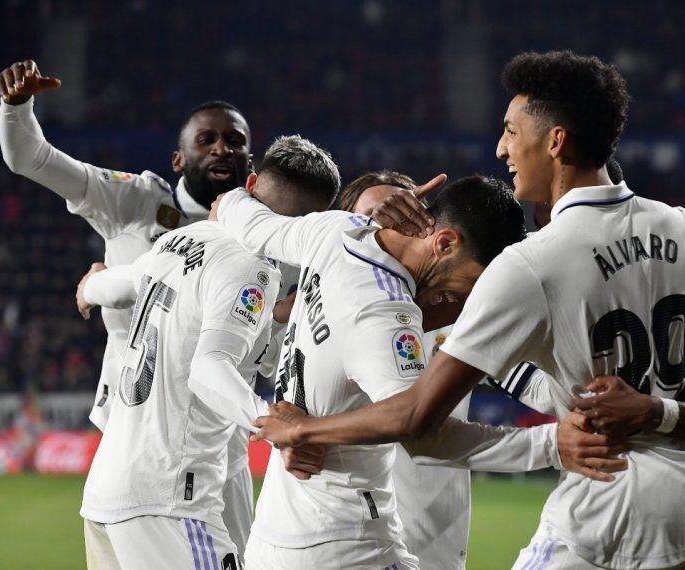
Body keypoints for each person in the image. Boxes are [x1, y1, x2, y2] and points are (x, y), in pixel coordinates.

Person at [252, 51, 685, 569]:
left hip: (612, 512)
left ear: (555, 140)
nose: (502, 147)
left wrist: (303, 430)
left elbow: (416, 416)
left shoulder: (530, 266)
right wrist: (660, 405)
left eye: (510, 130)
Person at [212, 174, 630, 568]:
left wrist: (227, 201)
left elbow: (247, 220)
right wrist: (552, 445)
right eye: (477, 279)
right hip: (348, 541)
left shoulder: (333, 231)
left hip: (278, 531)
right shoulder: (385, 313)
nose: (477, 294)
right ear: (444, 242)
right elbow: (422, 431)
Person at [0, 59, 264, 558]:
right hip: (129, 428)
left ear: (252, 159)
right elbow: (31, 158)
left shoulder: (263, 233)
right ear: (178, 159)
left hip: (212, 436)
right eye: (206, 139)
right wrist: (17, 107)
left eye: (235, 139)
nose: (223, 148)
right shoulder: (135, 200)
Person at [77, 135, 339, 569]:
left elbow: (122, 285)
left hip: (107, 494)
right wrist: (273, 424)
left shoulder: (176, 241)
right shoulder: (254, 267)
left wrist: (89, 287)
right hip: (171, 500)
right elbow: (207, 367)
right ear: (310, 223)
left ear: (250, 183)